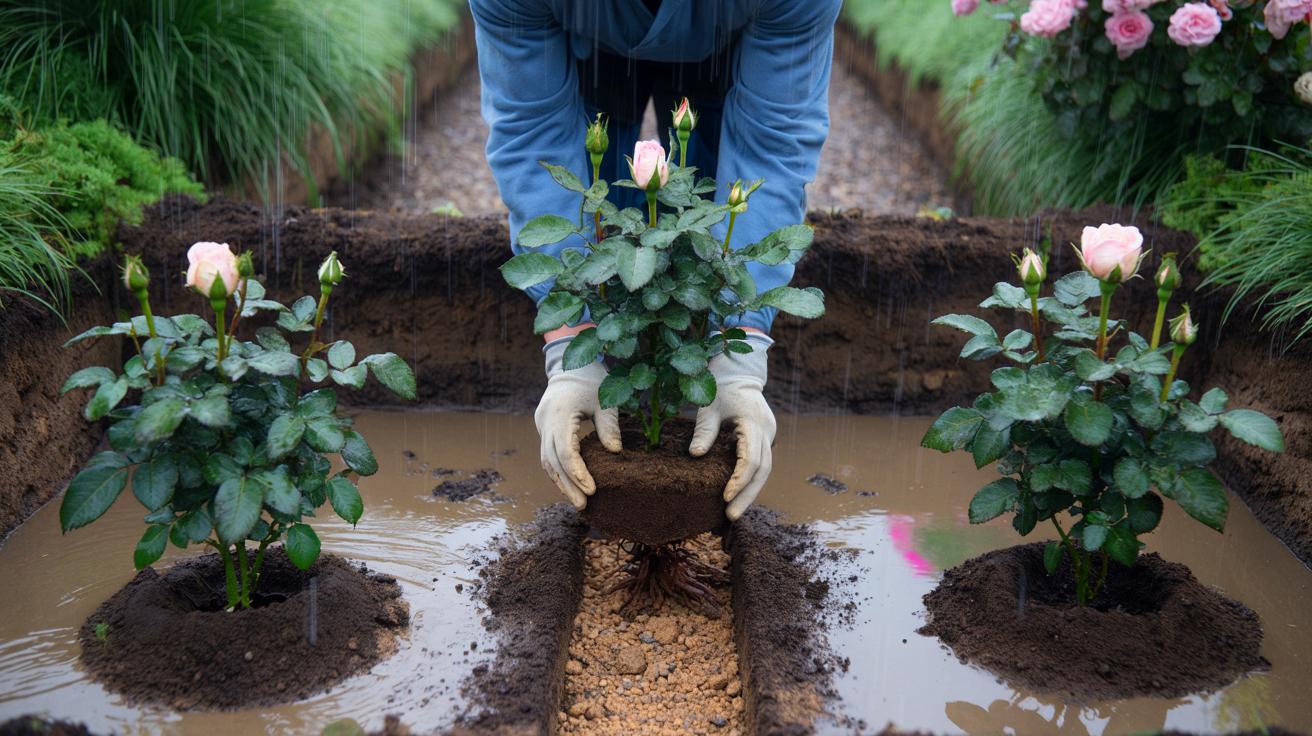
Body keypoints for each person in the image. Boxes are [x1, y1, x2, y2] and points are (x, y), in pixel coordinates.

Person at [472, 0, 841, 519]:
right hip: (587, 53)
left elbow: (773, 142)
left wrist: (740, 345)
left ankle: (689, 400)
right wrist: (571, 338)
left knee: (708, 235)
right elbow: (532, 130)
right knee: (604, 231)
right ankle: (616, 398)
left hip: (723, 50)